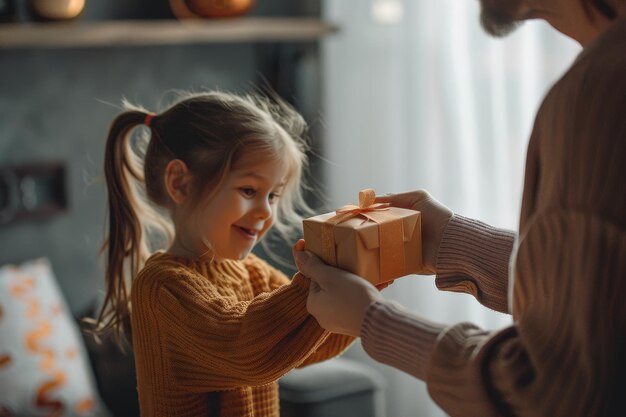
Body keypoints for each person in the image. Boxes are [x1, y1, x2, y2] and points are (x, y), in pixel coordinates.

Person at [294, 0, 626, 416]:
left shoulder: (598, 97)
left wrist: (373, 322)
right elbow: (601, 291)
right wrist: (452, 243)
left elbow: (548, 393)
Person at [92, 91, 355, 417]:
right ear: (180, 183)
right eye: (249, 191)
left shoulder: (253, 273)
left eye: (273, 195)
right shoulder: (163, 288)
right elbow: (246, 349)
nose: (265, 212)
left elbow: (308, 339)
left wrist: (361, 274)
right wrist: (314, 283)